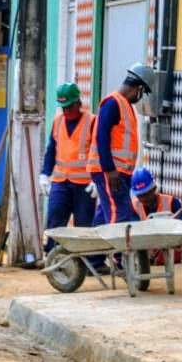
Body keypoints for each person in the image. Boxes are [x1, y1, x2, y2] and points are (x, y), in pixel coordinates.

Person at [87, 63, 156, 227]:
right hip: (112, 173)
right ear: (138, 88)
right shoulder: (113, 103)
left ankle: (94, 253)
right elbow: (101, 136)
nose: (141, 97)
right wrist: (109, 170)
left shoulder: (125, 106)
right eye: (143, 92)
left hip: (117, 173)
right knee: (120, 216)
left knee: (105, 215)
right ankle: (118, 254)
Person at [38, 82, 96, 252]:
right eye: (63, 107)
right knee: (55, 218)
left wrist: (97, 179)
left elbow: (99, 152)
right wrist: (45, 174)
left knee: (84, 225)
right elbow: (51, 150)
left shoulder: (92, 122)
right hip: (61, 181)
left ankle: (84, 260)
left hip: (84, 185)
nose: (66, 111)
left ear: (78, 103)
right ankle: (52, 256)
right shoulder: (57, 121)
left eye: (69, 107)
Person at [131, 167, 182, 265]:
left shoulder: (171, 202)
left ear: (154, 189)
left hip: (169, 248)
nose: (144, 198)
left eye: (146, 194)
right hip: (144, 252)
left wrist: (179, 241)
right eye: (140, 195)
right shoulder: (133, 206)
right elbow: (132, 233)